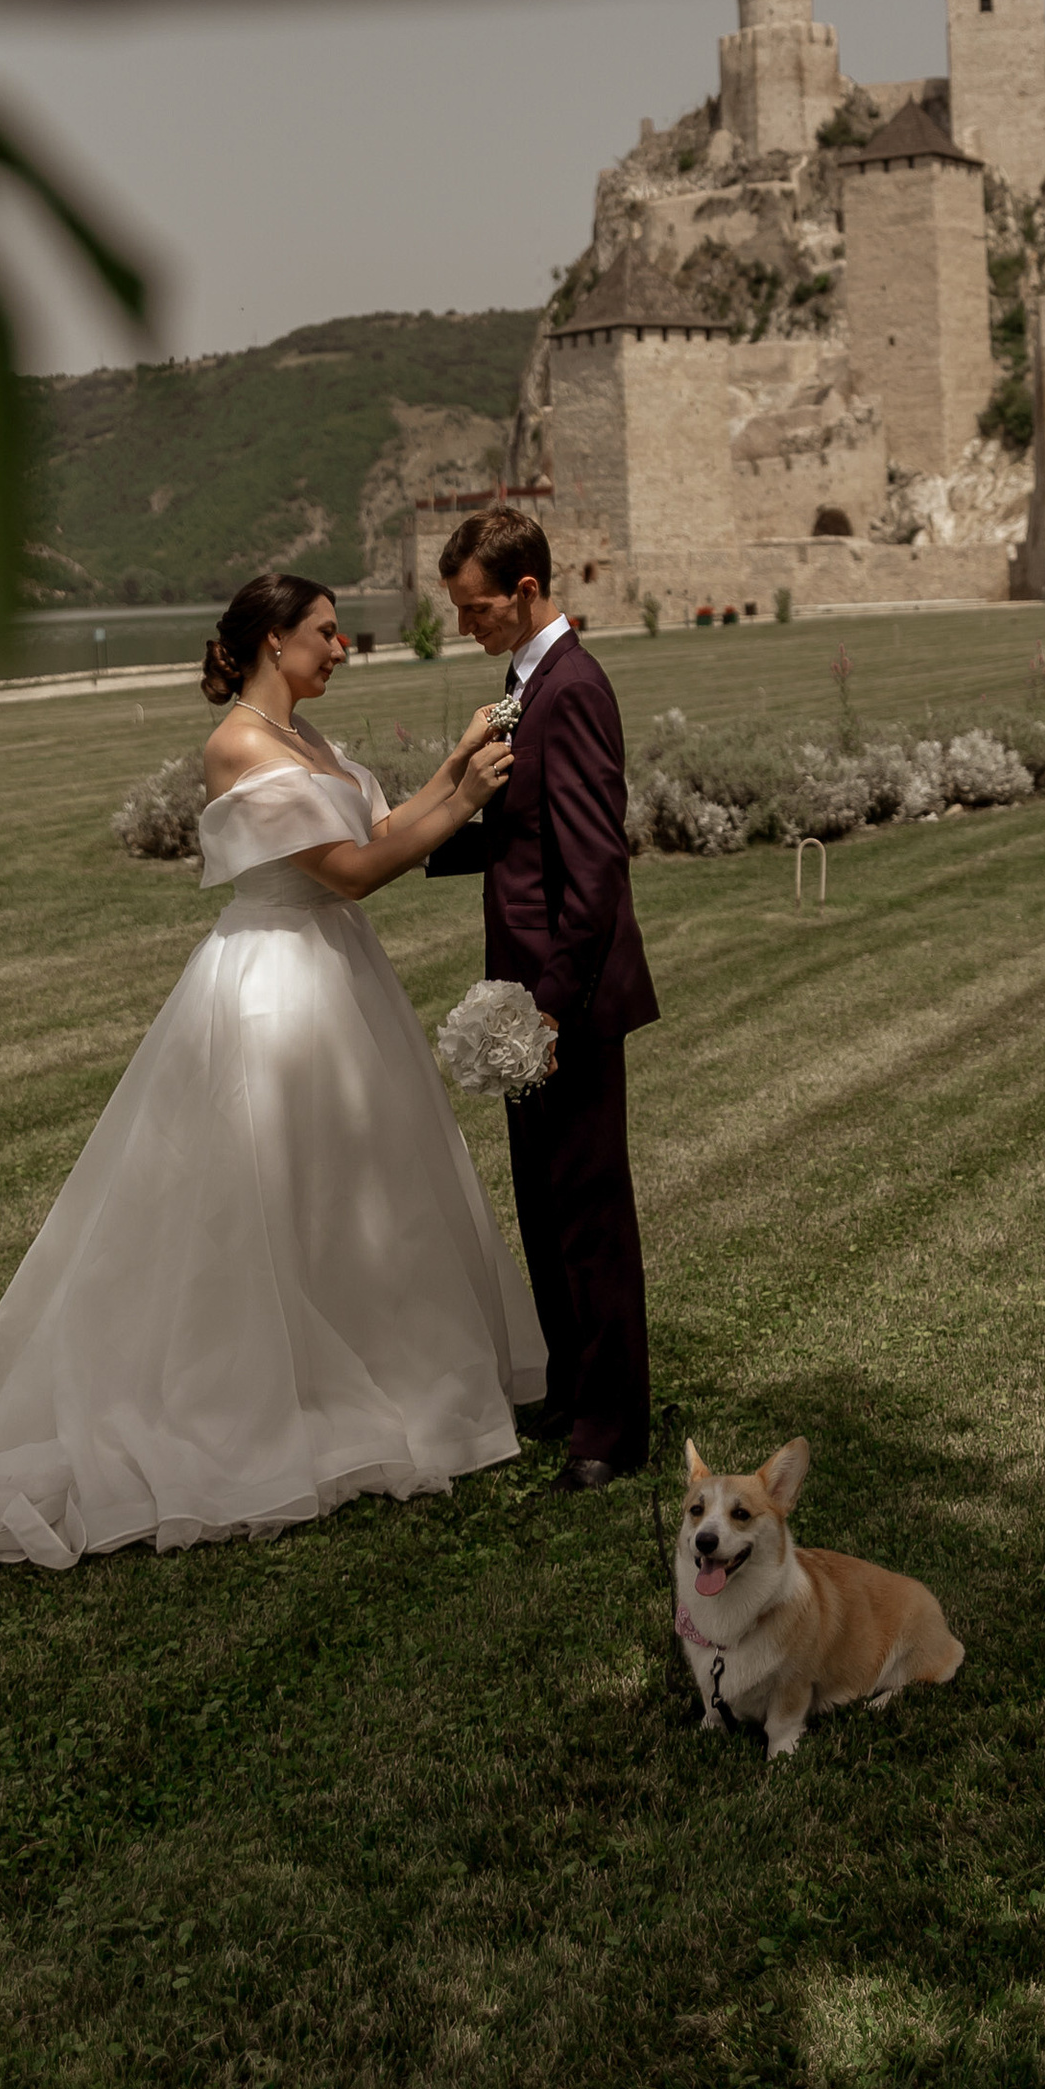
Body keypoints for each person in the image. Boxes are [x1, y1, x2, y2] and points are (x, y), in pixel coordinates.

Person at [0, 574, 543, 1583]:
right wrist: (467, 795)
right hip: (275, 982)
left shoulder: (315, 744)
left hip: (338, 978)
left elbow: (382, 830)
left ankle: (367, 1368)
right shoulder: (240, 745)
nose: (342, 649)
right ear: (270, 642)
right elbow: (348, 872)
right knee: (264, 1189)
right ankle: (254, 1399)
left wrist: (456, 764)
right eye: (327, 635)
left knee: (350, 1188)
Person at [427, 506, 657, 1490]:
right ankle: (569, 1382)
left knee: (588, 1211)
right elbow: (527, 833)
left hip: (566, 998)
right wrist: (440, 829)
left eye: (476, 609)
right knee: (541, 1201)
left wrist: (551, 1007)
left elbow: (595, 867)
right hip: (524, 987)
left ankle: (613, 1428)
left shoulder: (571, 690)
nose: (466, 626)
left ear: (524, 590)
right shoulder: (522, 683)